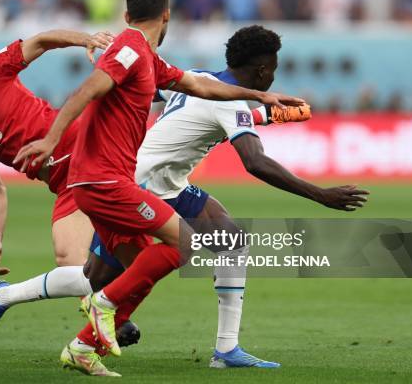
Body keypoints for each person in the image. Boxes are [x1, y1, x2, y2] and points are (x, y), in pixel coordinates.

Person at [14, 0, 307, 376]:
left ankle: (85, 344)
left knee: (140, 267)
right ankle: (96, 307)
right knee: (175, 249)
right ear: (166, 15)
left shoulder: (148, 58)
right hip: (107, 179)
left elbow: (198, 85)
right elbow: (88, 89)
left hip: (119, 178)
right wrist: (51, 139)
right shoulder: (130, 48)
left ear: (126, 15)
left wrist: (261, 99)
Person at [82, 25, 369, 373]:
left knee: (231, 241)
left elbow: (187, 101)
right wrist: (321, 195)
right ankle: (10, 299)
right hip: (135, 186)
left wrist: (271, 113)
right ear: (263, 70)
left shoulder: (200, 77)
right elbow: (255, 162)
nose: (273, 75)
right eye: (273, 69)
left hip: (167, 183)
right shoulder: (231, 102)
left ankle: (227, 349)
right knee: (98, 276)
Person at [0, 30, 116, 345]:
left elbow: (40, 42)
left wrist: (85, 40)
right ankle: (4, 297)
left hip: (89, 146)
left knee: (150, 229)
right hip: (66, 183)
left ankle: (221, 252)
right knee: (73, 266)